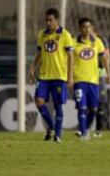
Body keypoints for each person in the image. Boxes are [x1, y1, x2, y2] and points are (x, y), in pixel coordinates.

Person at [29, 8, 74, 142]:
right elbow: (39, 54)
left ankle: (57, 135)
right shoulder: (42, 34)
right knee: (38, 101)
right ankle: (52, 127)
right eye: (46, 20)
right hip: (43, 76)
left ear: (57, 20)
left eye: (51, 20)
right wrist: (32, 68)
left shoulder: (65, 35)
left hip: (59, 76)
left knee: (57, 106)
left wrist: (70, 77)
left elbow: (71, 57)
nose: (48, 23)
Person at [73, 17, 110, 140]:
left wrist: (109, 74)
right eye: (84, 27)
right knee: (82, 107)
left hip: (94, 81)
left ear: (91, 28)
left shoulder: (97, 42)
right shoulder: (73, 42)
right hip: (79, 80)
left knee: (94, 109)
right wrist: (69, 76)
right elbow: (68, 60)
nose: (86, 29)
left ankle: (86, 128)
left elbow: (104, 59)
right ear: (80, 28)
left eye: (88, 27)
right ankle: (84, 133)